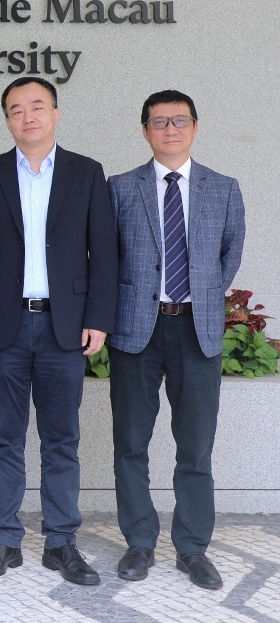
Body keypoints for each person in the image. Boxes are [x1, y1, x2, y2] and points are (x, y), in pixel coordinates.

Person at [0, 76, 117, 586]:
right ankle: (4, 539)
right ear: (7, 120)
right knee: (4, 438)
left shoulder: (86, 172)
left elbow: (104, 253)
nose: (27, 116)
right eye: (16, 109)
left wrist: (98, 318)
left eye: (37, 106)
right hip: (3, 324)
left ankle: (61, 542)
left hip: (63, 326)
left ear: (55, 113)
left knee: (61, 439)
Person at [107, 90, 245, 589]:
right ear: (145, 130)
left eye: (179, 120)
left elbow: (230, 252)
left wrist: (200, 295)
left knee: (196, 446)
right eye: (159, 121)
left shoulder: (223, 188)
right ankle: (139, 542)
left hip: (196, 330)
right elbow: (106, 255)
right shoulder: (120, 187)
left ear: (195, 127)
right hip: (135, 330)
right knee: (130, 443)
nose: (170, 129)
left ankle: (192, 548)